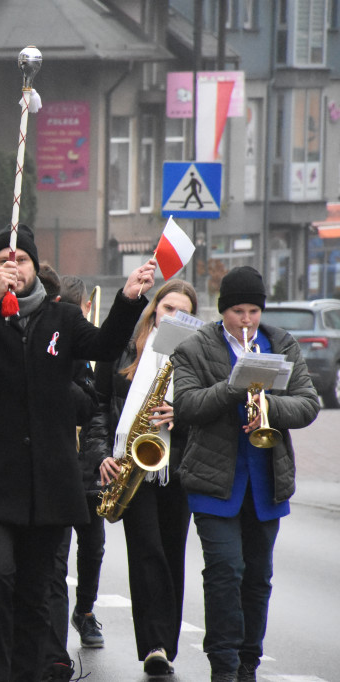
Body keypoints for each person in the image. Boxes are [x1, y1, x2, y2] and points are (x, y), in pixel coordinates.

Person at [0, 224, 155, 682]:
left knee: (37, 592)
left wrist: (129, 300)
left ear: (36, 267)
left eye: (19, 261)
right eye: (3, 261)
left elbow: (102, 346)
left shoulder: (61, 316)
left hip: (48, 482)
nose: (12, 268)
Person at [172, 266, 319, 682]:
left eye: (254, 310)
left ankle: (248, 663)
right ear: (223, 311)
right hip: (213, 482)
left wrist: (269, 406)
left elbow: (308, 403)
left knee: (257, 578)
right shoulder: (196, 347)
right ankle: (224, 663)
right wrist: (236, 386)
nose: (247, 320)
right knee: (225, 572)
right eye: (238, 311)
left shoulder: (280, 343)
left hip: (267, 482)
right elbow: (186, 406)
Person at [86, 280, 199, 678]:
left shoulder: (197, 358)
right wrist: (101, 453)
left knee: (171, 552)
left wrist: (181, 412)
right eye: (168, 308)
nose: (174, 317)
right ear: (154, 310)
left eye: (184, 313)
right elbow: (98, 404)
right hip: (132, 464)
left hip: (178, 467)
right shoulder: (123, 349)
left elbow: (210, 409)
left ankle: (165, 646)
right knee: (146, 550)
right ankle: (153, 644)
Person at [39, 275, 103, 682]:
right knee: (55, 561)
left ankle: (86, 609)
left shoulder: (88, 358)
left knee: (93, 545)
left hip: (90, 467)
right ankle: (54, 651)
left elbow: (96, 410)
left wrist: (98, 456)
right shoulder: (55, 351)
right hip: (60, 469)